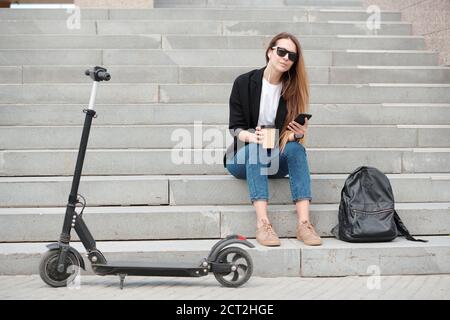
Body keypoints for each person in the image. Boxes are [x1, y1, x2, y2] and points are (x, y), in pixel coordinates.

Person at [223, 32, 322, 247]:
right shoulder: (244, 82)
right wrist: (253, 137)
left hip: (274, 156)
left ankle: (304, 223)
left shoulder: (292, 90)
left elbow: (285, 137)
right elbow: (235, 128)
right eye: (281, 51)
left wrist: (295, 134)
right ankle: (263, 223)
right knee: (257, 148)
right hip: (242, 155)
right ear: (270, 52)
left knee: (296, 149)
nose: (286, 58)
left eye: (292, 56)